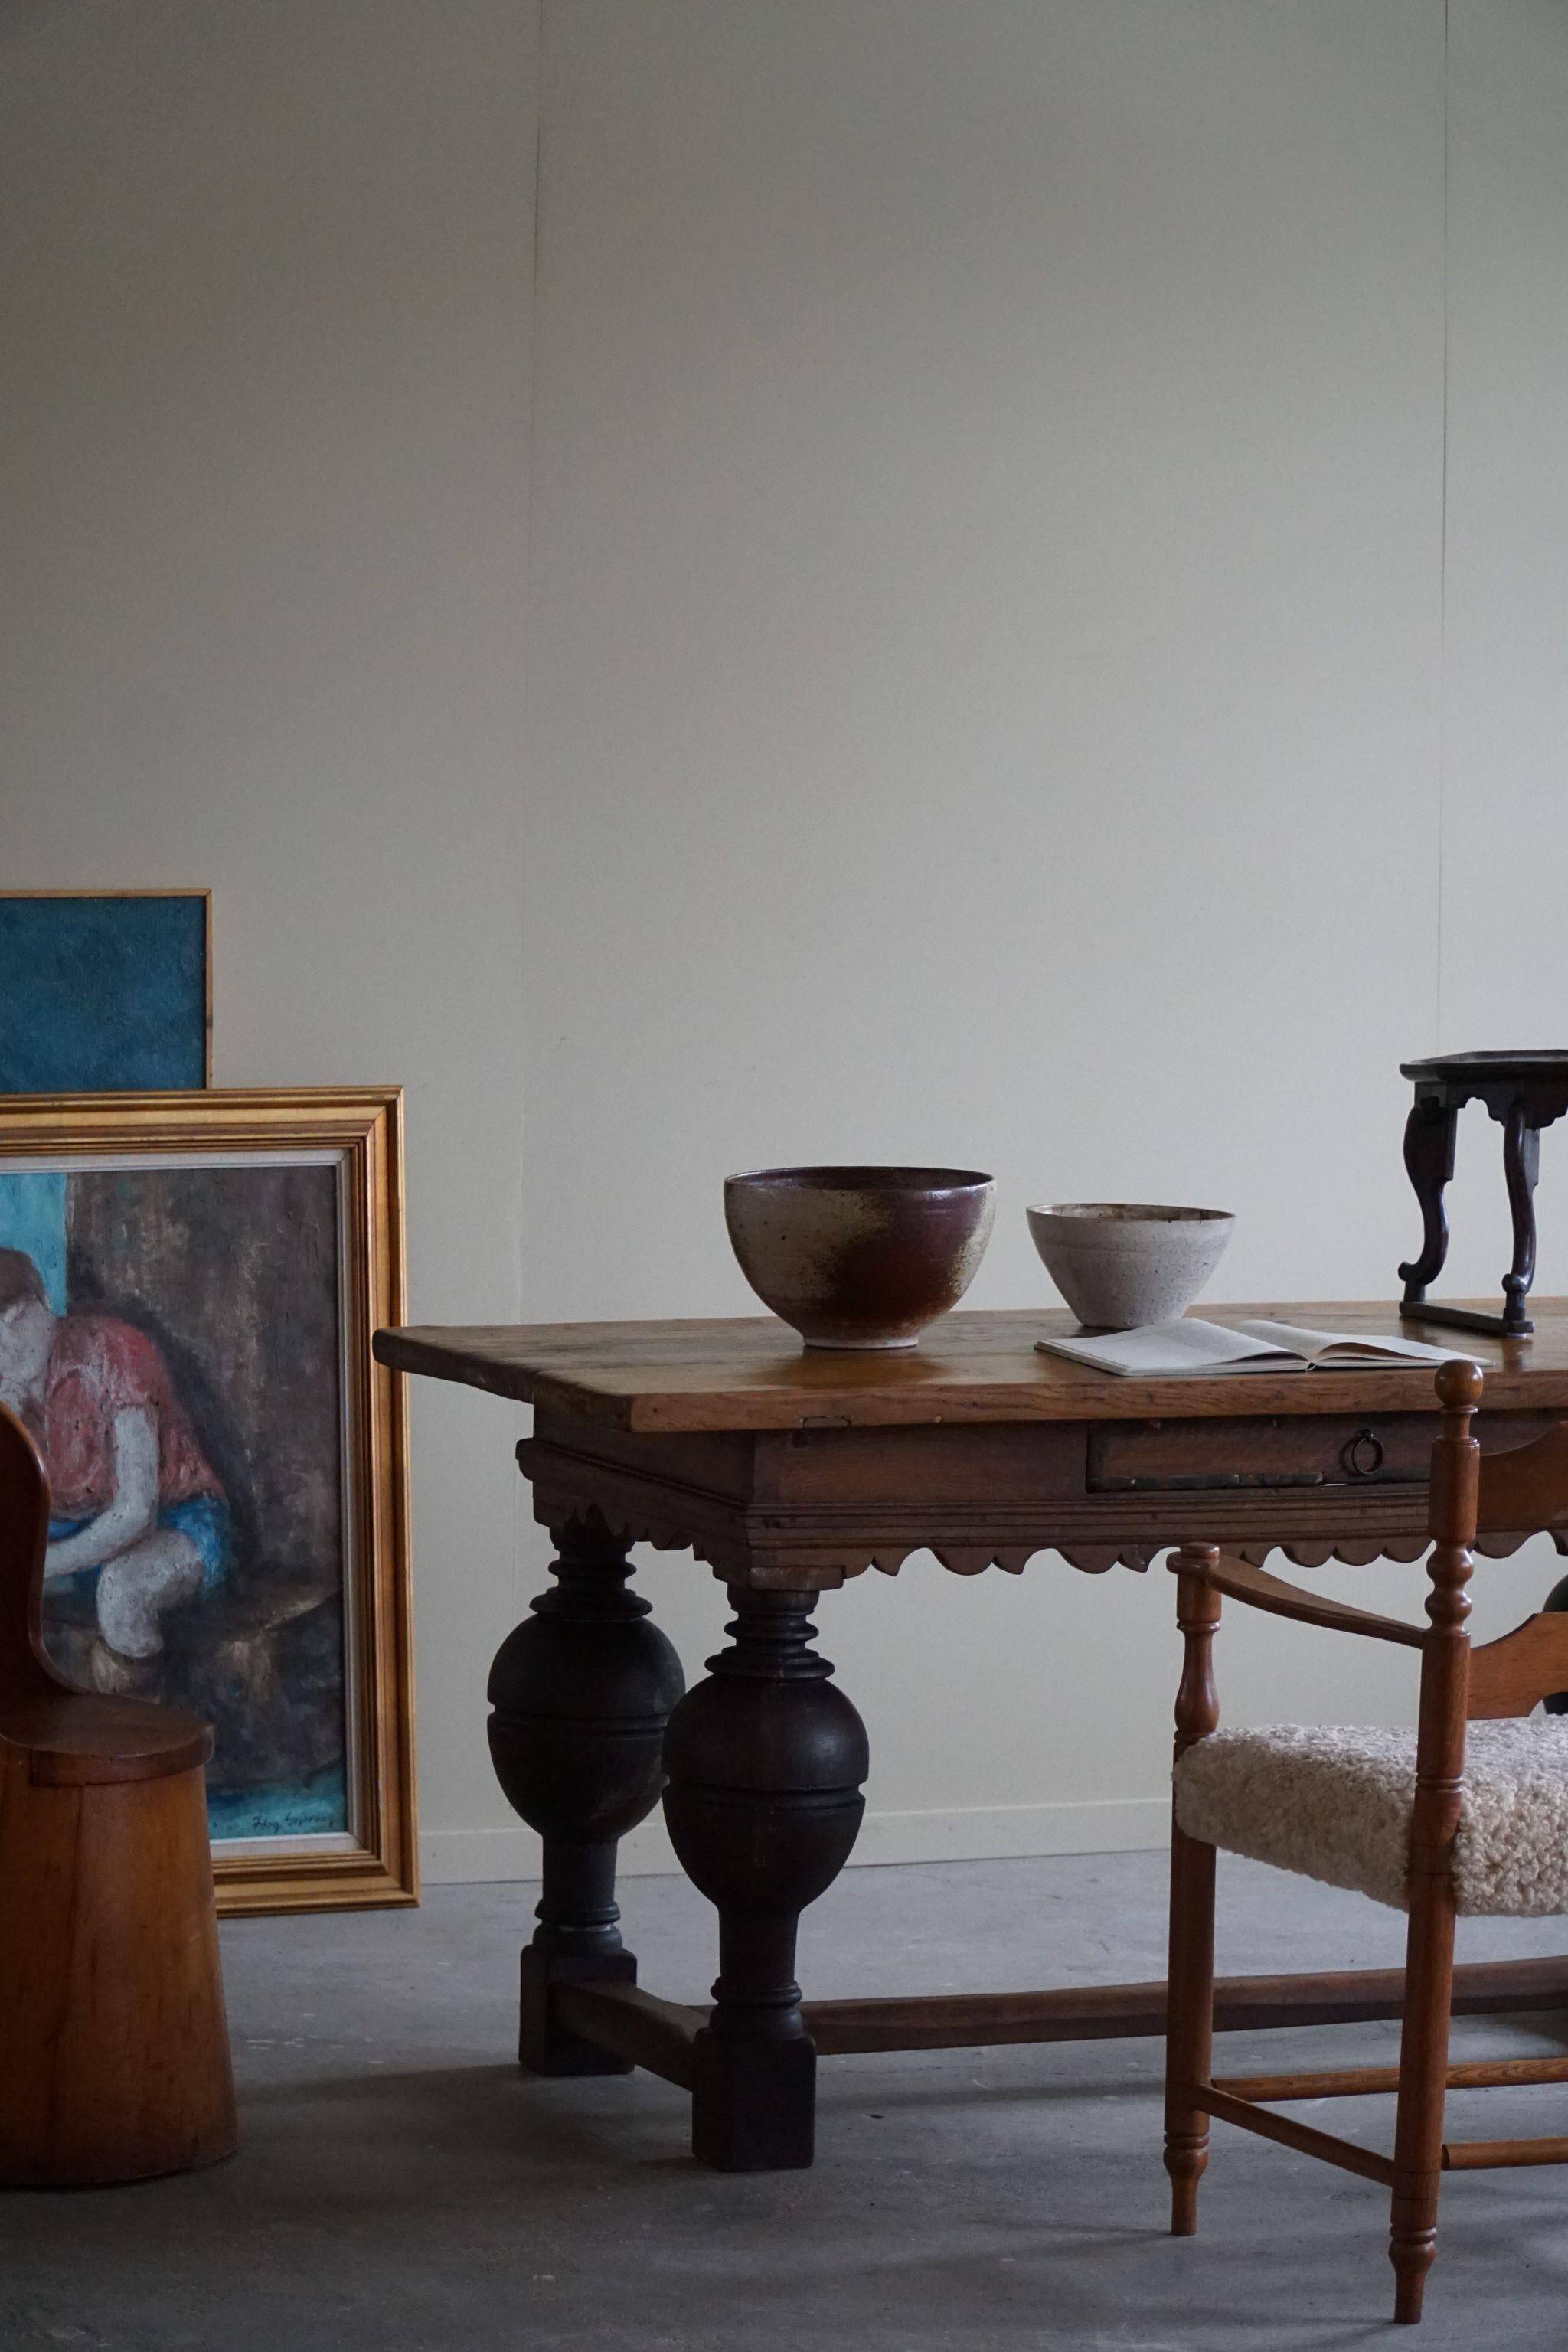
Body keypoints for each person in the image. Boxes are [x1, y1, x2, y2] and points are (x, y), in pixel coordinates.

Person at [0, 1246, 230, 1693]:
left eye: (19, 1318)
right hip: (67, 1529)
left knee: (122, 1592)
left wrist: (38, 1565)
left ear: (45, 1305)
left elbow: (136, 1511)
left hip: (180, 1518)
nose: (13, 1339)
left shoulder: (114, 1351)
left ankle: (132, 1740)